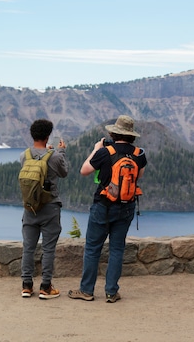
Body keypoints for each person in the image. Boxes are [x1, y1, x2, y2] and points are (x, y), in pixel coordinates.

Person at [68, 115, 147, 303]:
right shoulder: (139, 153)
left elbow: (84, 170)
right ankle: (111, 292)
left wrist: (96, 149)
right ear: (131, 135)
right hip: (126, 207)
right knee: (117, 249)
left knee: (93, 248)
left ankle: (86, 290)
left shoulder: (105, 151)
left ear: (114, 132)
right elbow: (139, 175)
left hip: (103, 206)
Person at [20, 119, 68, 299]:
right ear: (48, 136)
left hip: (30, 207)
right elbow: (64, 173)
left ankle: (26, 286)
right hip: (50, 207)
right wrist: (60, 151)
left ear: (32, 135)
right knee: (48, 249)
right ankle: (45, 287)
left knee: (28, 248)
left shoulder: (24, 155)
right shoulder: (54, 156)